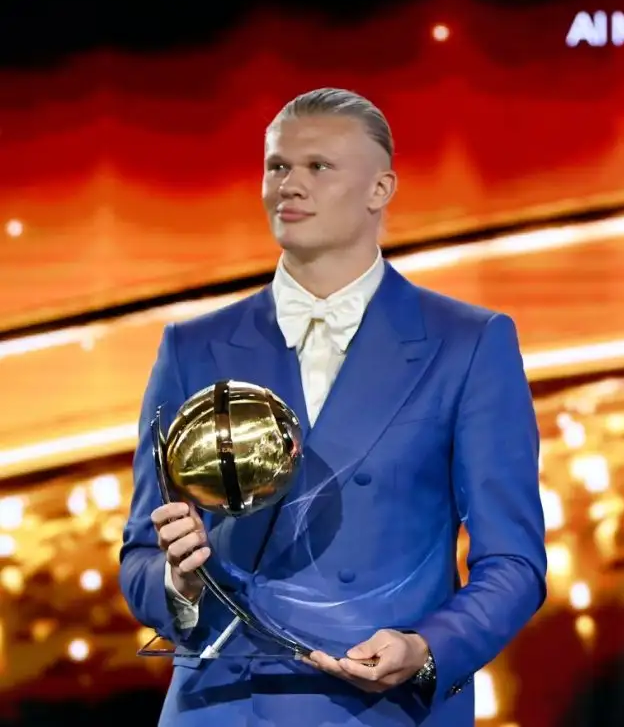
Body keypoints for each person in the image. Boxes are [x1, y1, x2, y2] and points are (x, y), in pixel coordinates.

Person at [118, 87, 548, 726]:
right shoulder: (192, 348)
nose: (289, 185)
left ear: (381, 189)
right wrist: (177, 586)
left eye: (318, 167)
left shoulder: (468, 343)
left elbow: (513, 562)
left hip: (383, 706)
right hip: (225, 705)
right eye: (277, 166)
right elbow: (138, 557)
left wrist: (426, 648)